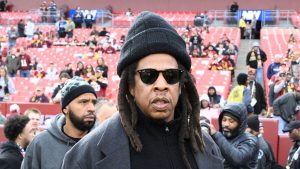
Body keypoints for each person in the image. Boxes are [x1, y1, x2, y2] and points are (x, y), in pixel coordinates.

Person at [61, 11, 224, 169]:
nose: (161, 84)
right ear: (131, 86)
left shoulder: (207, 146)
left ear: (181, 85)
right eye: (148, 75)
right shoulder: (86, 155)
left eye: (171, 75)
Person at [21, 77, 97, 169]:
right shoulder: (41, 143)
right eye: (83, 102)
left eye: (94, 102)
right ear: (65, 108)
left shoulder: (102, 141)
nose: (92, 108)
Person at [209, 103, 259, 169]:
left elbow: (238, 159)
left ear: (240, 124)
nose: (226, 124)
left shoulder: (250, 140)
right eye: (224, 120)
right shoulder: (221, 137)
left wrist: (216, 135)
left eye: (231, 121)